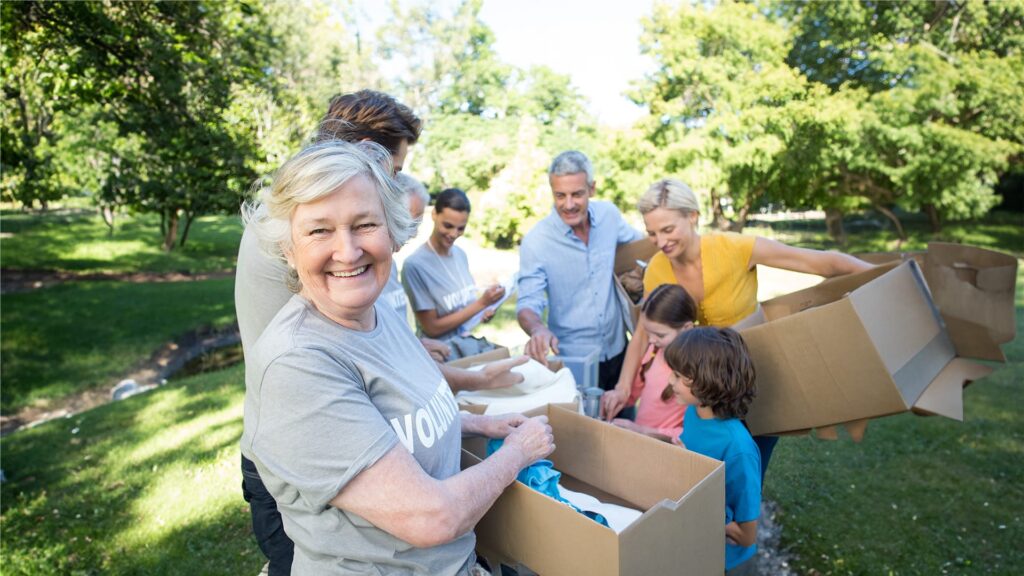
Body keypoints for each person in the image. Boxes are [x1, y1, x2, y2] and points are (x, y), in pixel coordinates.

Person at [235, 90, 526, 575]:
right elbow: (432, 518)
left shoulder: (367, 309)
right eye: (392, 170)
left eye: (366, 222)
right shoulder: (303, 350)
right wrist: (517, 450)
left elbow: (393, 399)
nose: (348, 251)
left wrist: (472, 419)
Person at [602, 178, 873, 477]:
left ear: (693, 217)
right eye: (652, 233)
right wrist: (622, 388)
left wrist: (887, 278)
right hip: (700, 395)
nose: (661, 241)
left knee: (747, 466)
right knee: (699, 472)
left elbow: (825, 263)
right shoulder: (657, 268)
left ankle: (745, 520)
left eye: (668, 229)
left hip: (750, 381)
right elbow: (643, 331)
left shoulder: (734, 248)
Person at [516, 151, 643, 390]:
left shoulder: (609, 216)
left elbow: (643, 248)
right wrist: (537, 328)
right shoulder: (536, 241)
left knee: (625, 422)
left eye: (577, 194)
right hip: (573, 361)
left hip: (619, 350)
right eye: (560, 195)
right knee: (584, 426)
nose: (569, 204)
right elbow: (527, 304)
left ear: (592, 189)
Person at [666, 327, 761, 575]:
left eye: (677, 376)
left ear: (707, 380)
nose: (670, 381)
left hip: (726, 562)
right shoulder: (694, 410)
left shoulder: (739, 448)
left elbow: (747, 536)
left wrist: (699, 494)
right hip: (698, 544)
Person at [402, 188, 505, 359]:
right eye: (448, 226)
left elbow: (465, 308)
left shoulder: (460, 254)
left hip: (467, 347)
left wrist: (483, 313)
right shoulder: (415, 265)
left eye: (460, 228)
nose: (453, 234)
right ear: (434, 214)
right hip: (441, 356)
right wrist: (481, 304)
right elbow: (432, 328)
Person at [608, 284, 696, 442]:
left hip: (664, 449)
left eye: (660, 335)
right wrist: (618, 397)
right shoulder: (654, 352)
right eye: (648, 334)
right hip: (640, 439)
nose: (651, 340)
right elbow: (635, 391)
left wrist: (643, 431)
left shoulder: (695, 374)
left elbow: (690, 434)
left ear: (687, 328)